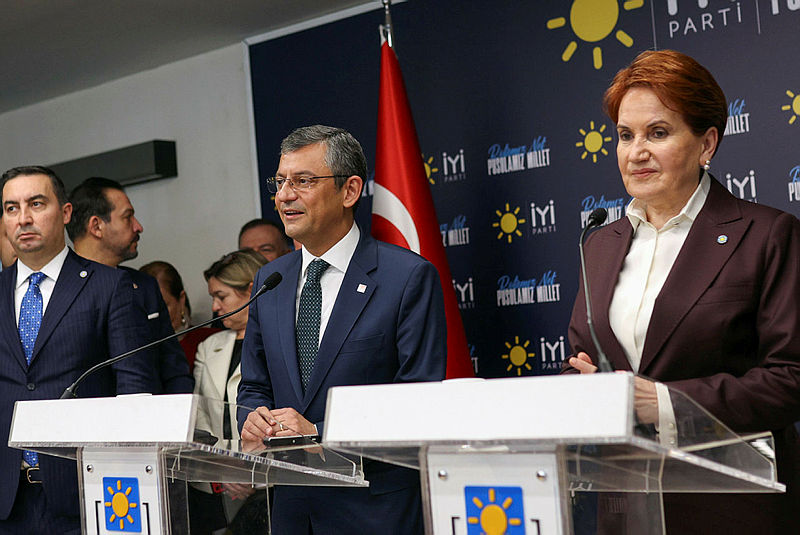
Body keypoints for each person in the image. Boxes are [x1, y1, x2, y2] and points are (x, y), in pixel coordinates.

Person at [564, 50, 800, 534]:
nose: (636, 152)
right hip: (626, 505)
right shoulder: (599, 245)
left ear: (706, 143)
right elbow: (582, 361)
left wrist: (666, 402)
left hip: (733, 508)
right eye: (625, 135)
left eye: (657, 133)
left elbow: (791, 378)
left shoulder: (767, 235)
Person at [237, 125, 447, 534]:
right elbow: (255, 386)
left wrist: (320, 432)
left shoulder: (406, 278)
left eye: (303, 181)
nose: (284, 196)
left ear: (350, 191)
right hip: (292, 510)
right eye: (280, 182)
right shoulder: (270, 280)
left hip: (373, 511)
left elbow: (417, 399)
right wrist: (253, 419)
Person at [0, 166, 157, 534]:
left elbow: (134, 389)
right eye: (11, 208)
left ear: (66, 212)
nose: (23, 218)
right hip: (8, 501)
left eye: (36, 204)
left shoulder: (110, 286)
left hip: (90, 495)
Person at [67, 177, 193, 394]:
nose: (138, 227)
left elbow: (174, 369)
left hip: (151, 411)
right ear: (96, 226)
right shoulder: (58, 289)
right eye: (128, 217)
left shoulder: (145, 286)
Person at [191, 249, 267, 535]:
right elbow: (200, 415)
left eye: (221, 296)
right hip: (217, 482)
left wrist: (252, 474)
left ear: (250, 290)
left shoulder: (280, 338)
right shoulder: (208, 347)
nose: (214, 306)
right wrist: (224, 469)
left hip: (270, 482)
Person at [139, 260, 219, 370]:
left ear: (181, 299)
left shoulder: (212, 340)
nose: (153, 315)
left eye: (162, 307)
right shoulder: (132, 349)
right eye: (145, 307)